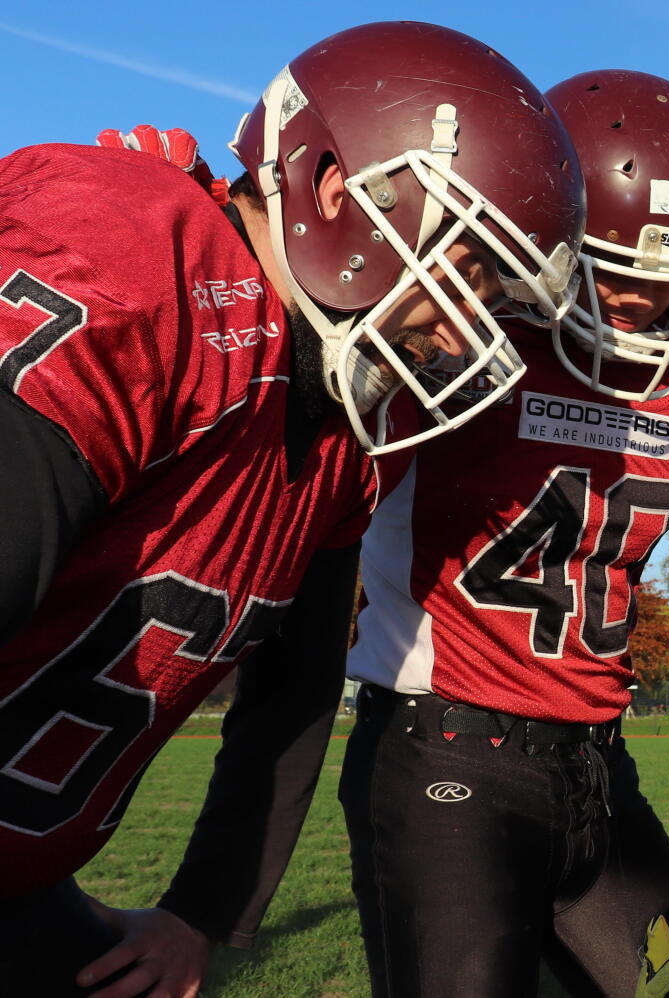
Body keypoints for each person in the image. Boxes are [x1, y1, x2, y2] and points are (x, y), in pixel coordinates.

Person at [0, 20, 585, 998]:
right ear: (332, 189)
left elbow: (293, 695)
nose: (470, 321)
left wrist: (204, 908)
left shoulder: (343, 438)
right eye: (470, 266)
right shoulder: (141, 258)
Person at [339, 69, 669, 998]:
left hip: (596, 761)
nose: (648, 298)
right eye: (623, 263)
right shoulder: (456, 325)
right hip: (445, 755)